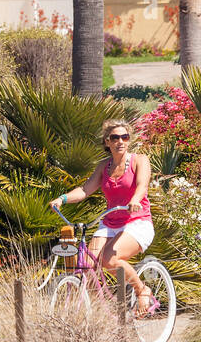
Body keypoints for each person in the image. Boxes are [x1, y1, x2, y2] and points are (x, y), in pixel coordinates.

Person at [49, 120, 156, 317]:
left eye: (125, 137)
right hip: (109, 223)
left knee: (110, 259)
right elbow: (85, 190)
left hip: (137, 222)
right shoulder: (103, 167)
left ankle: (142, 290)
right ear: (107, 141)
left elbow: (142, 185)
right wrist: (62, 199)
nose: (120, 141)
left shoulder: (139, 160)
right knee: (88, 266)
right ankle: (101, 312)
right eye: (115, 137)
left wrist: (134, 200)